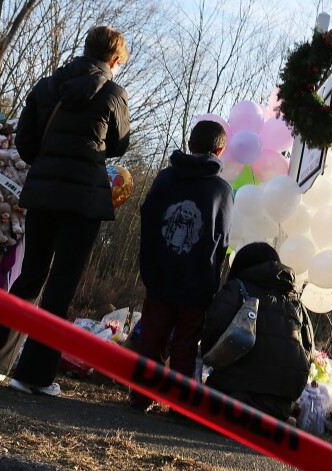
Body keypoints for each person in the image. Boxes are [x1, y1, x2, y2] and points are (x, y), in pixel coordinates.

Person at [0, 26, 131, 395]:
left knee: (29, 278)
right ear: (114, 60)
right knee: (61, 286)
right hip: (84, 200)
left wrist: (48, 163)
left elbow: (26, 143)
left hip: (43, 192)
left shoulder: (47, 86)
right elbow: (119, 145)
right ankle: (33, 375)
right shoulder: (113, 92)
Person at [129, 119, 234, 411]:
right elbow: (222, 239)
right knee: (186, 345)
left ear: (189, 145)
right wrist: (211, 278)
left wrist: (148, 266)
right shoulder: (222, 191)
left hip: (160, 274)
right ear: (221, 150)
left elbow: (149, 218)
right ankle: (179, 404)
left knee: (151, 337)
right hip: (197, 282)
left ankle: (140, 396)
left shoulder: (165, 178)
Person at [200, 242, 314, 423]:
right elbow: (308, 354)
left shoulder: (237, 288)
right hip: (282, 402)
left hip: (235, 392)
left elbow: (211, 332)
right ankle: (277, 417)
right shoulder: (296, 302)